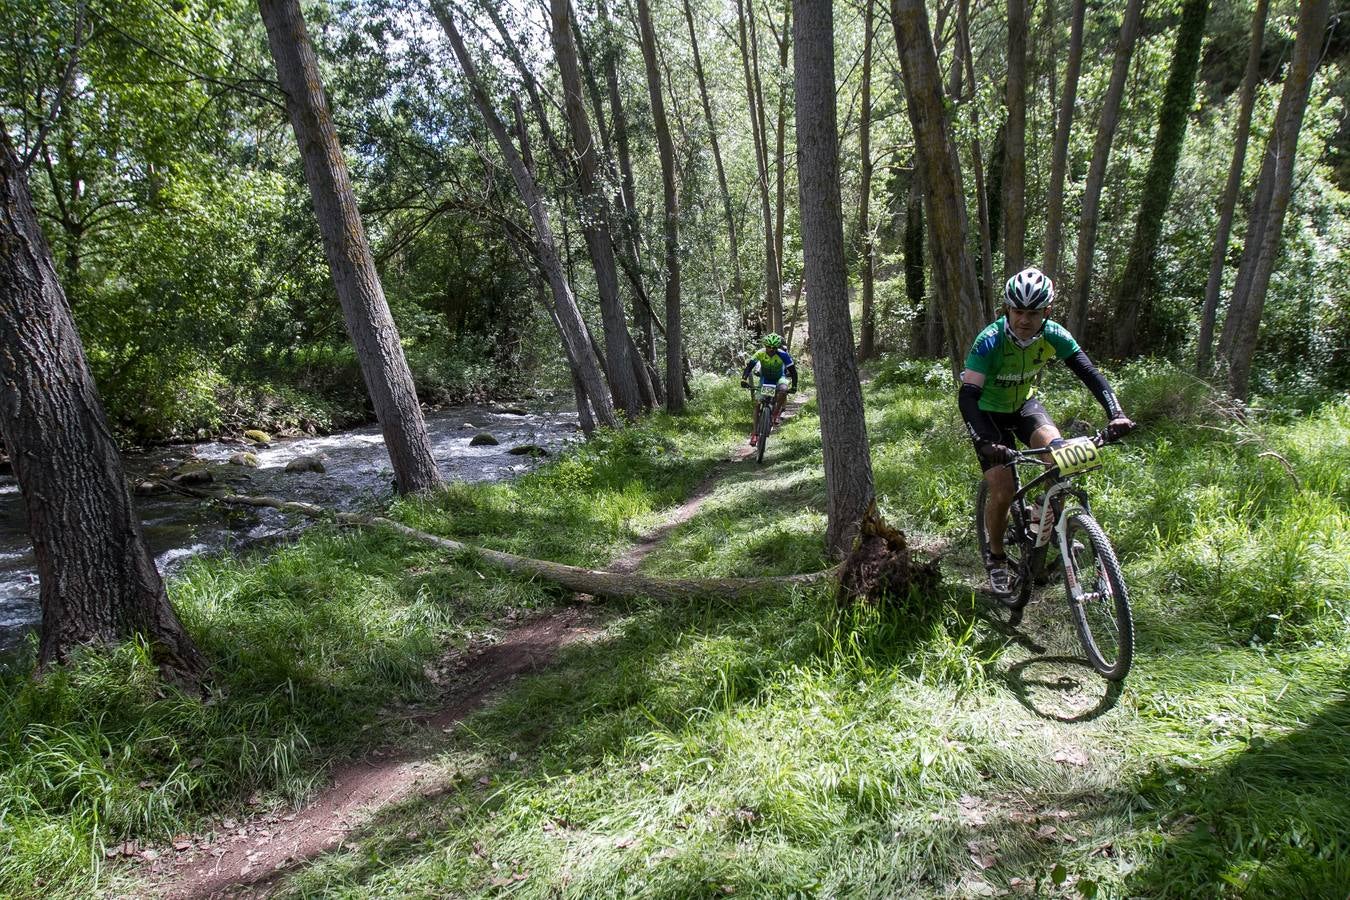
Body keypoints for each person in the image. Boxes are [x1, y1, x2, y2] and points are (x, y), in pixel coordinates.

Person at [959, 267, 1134, 595]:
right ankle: (995, 557)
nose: (1024, 320)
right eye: (1018, 311)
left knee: (1064, 456)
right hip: (987, 415)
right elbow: (967, 396)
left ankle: (1042, 515)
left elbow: (1089, 373)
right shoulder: (990, 341)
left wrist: (1116, 414)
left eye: (1033, 313)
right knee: (1002, 488)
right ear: (1008, 310)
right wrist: (983, 440)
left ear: (1046, 312)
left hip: (1025, 408)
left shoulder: (1054, 335)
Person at [740, 333, 797, 446]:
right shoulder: (760, 353)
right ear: (765, 346)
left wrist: (794, 386)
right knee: (757, 404)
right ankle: (755, 433)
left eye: (774, 348)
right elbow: (749, 367)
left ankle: (775, 413)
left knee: (783, 391)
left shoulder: (783, 355)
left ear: (777, 347)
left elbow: (793, 371)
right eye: (769, 347)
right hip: (765, 380)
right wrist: (743, 379)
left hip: (779, 378)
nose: (771, 349)